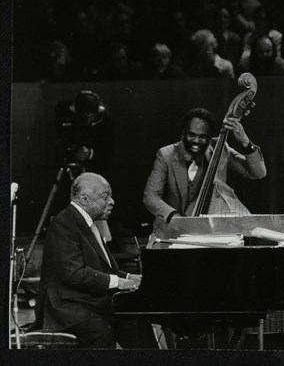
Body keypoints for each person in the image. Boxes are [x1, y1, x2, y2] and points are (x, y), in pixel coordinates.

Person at [34, 173, 142, 348]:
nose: (112, 201)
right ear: (84, 199)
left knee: (135, 322)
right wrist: (119, 282)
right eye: (105, 196)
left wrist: (131, 278)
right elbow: (74, 273)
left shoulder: (87, 222)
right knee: (103, 330)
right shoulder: (64, 223)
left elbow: (104, 269)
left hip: (87, 302)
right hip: (67, 308)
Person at [143, 107, 266, 237]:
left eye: (202, 137)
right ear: (183, 133)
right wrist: (175, 217)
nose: (196, 141)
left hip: (212, 233)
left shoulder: (220, 149)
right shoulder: (165, 155)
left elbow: (258, 173)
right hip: (171, 231)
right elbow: (150, 197)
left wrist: (245, 142)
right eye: (191, 135)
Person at [55, 90, 115, 176]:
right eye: (86, 116)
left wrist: (90, 153)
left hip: (94, 165)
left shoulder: (106, 119)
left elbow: (109, 149)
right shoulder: (64, 111)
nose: (89, 119)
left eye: (92, 116)